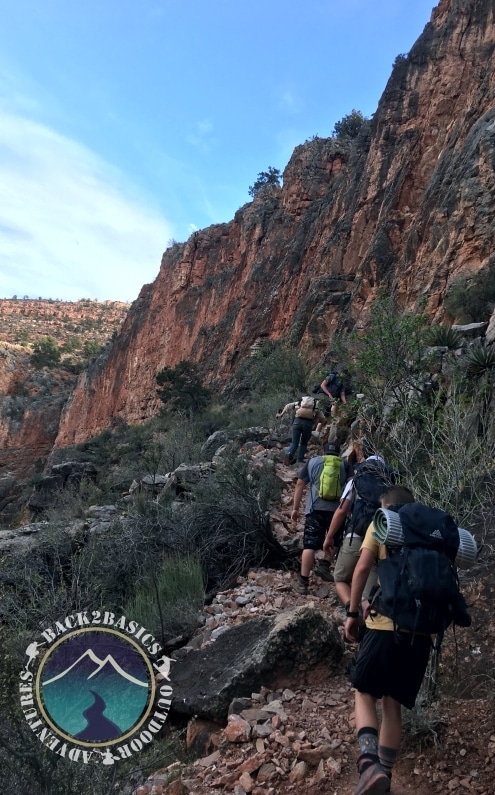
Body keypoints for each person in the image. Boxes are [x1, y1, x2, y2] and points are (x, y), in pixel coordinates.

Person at [344, 485, 432, 795]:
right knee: (393, 706)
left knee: (364, 692)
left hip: (385, 627)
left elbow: (362, 569)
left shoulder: (384, 522)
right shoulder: (428, 533)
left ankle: (369, 766)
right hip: (422, 634)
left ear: (386, 505)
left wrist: (352, 613)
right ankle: (386, 779)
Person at [323, 440, 395, 610]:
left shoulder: (357, 480)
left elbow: (341, 511)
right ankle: (365, 614)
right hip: (380, 538)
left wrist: (329, 537)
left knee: (340, 579)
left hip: (356, 534)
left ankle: (351, 608)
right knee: (369, 593)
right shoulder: (391, 483)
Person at [290, 442, 343, 594]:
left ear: (323, 452)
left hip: (314, 509)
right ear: (338, 454)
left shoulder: (313, 462)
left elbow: (300, 483)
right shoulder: (344, 465)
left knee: (310, 545)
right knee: (335, 539)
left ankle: (303, 582)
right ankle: (325, 565)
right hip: (336, 512)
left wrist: (295, 508)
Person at [276, 397, 326, 465]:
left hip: (297, 422)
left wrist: (280, 415)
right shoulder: (315, 407)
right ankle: (299, 460)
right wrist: (320, 425)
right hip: (308, 424)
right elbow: (323, 418)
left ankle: (289, 454)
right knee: (304, 443)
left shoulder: (299, 404)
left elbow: (288, 406)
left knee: (294, 443)